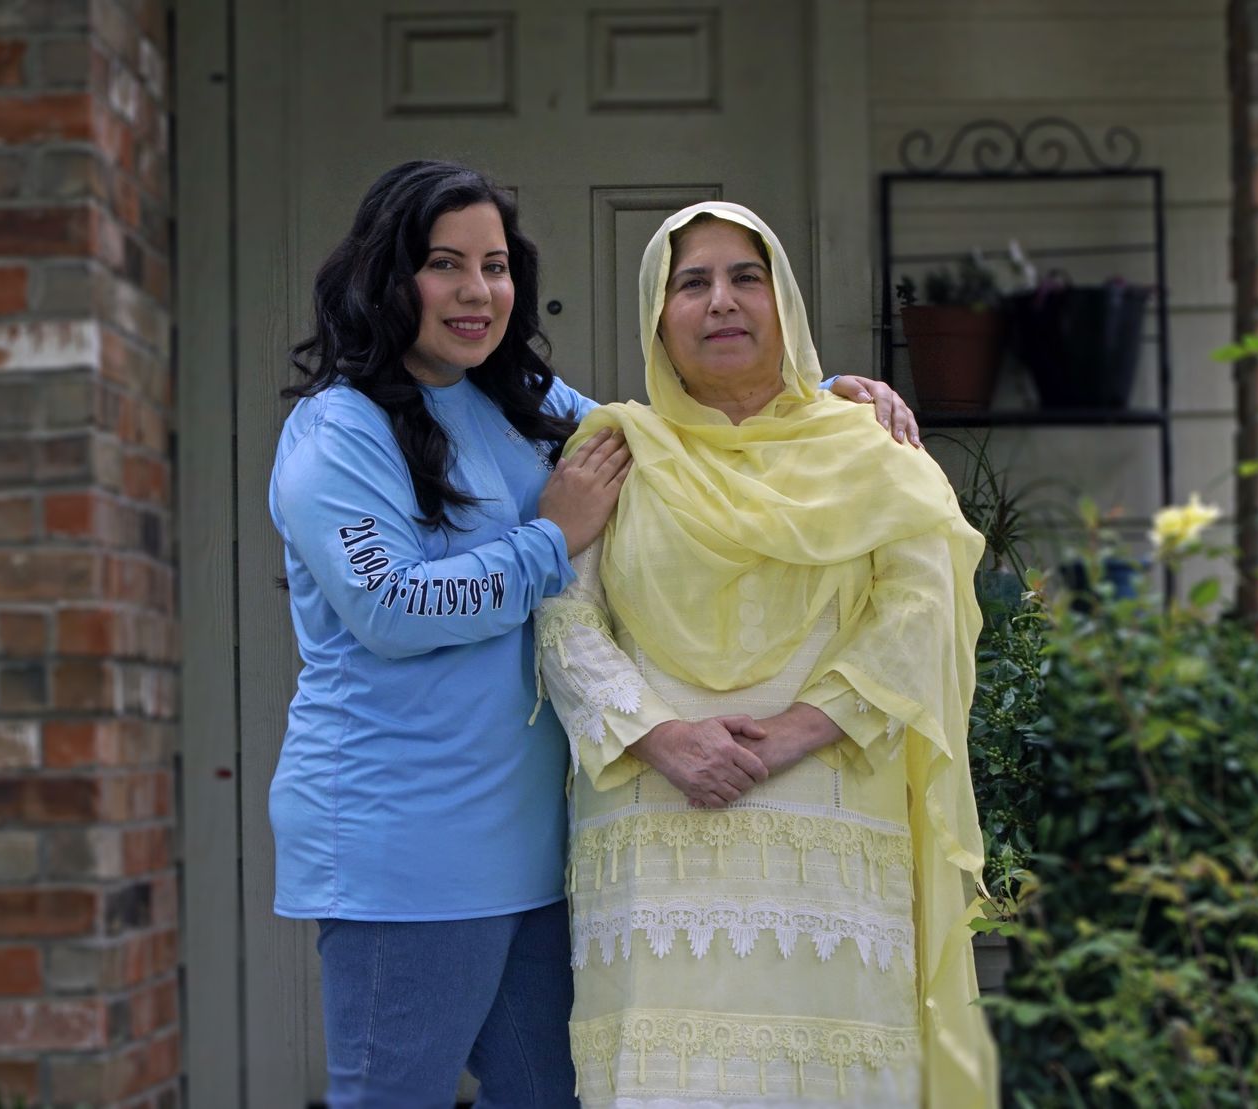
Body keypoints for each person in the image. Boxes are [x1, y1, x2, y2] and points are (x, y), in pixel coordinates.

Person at [267, 161, 921, 1108]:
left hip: (534, 849)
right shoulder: (341, 431)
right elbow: (394, 608)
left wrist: (819, 403)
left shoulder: (523, 400)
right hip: (405, 846)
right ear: (385, 276)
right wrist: (550, 539)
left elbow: (685, 441)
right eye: (443, 265)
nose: (475, 292)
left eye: (494, 266)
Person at [538, 201, 1000, 1107]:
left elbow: (921, 609)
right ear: (656, 317)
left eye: (746, 277)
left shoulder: (871, 449)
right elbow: (563, 618)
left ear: (784, 301)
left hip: (826, 829)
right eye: (692, 282)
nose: (722, 302)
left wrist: (792, 732)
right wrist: (660, 736)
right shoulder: (617, 448)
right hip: (654, 825)